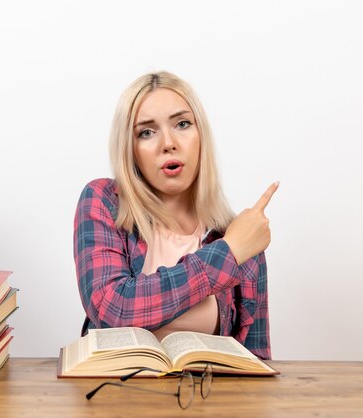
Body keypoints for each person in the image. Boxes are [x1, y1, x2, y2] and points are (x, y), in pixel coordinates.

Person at [73, 71, 278, 359]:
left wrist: (235, 248)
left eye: (182, 124)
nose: (168, 143)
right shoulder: (104, 201)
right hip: (115, 396)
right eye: (147, 132)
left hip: (206, 399)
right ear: (130, 150)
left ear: (201, 135)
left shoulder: (236, 235)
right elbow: (112, 308)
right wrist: (227, 254)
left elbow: (255, 361)